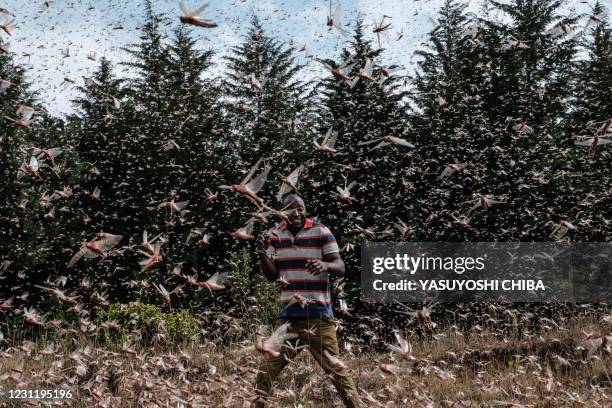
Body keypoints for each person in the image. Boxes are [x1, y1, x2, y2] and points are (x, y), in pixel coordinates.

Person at [253, 194, 361, 408]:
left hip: (319, 318)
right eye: (291, 209)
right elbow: (272, 275)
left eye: (301, 208)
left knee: (338, 374)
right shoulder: (274, 234)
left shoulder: (321, 231)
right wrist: (262, 254)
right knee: (265, 372)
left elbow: (340, 266)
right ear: (282, 212)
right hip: (288, 320)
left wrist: (325, 266)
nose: (297, 213)